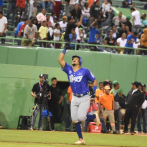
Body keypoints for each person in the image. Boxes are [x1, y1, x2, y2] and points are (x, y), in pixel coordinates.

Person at [58, 48, 98, 144]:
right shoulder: (69, 69)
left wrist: (94, 90)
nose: (74, 59)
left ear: (80, 61)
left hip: (84, 96)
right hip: (74, 97)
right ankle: (81, 139)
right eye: (73, 58)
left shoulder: (85, 71)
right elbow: (60, 59)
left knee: (81, 118)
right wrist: (65, 49)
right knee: (75, 120)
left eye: (76, 58)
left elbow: (94, 80)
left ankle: (94, 116)